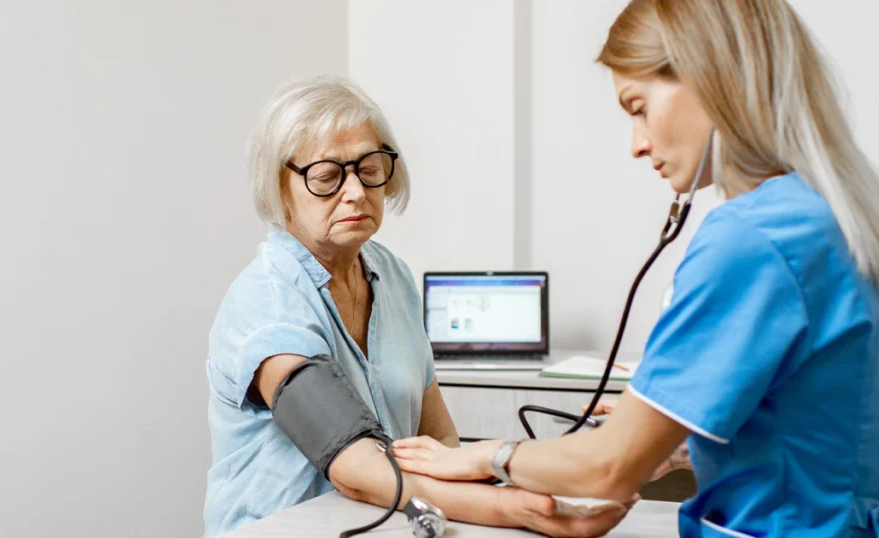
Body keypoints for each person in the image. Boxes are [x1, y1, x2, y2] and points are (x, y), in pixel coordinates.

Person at [391, 1, 879, 536]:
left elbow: (607, 468)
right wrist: (679, 450)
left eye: (638, 106)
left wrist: (484, 455)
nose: (637, 144)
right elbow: (814, 431)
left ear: (711, 74)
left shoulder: (753, 236)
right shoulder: (837, 219)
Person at [203, 75, 636, 538]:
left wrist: (523, 482)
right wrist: (519, 508)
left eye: (369, 168)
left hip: (385, 524)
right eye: (327, 176)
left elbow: (439, 440)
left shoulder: (391, 275)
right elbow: (355, 464)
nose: (355, 191)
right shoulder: (265, 304)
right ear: (279, 188)